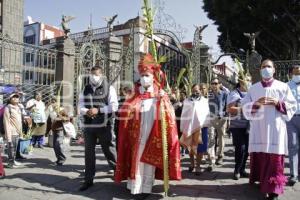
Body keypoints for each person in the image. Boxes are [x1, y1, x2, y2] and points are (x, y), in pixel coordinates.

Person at [115, 54, 181, 196]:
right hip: (136, 136)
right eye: (142, 75)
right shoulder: (134, 94)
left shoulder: (160, 95)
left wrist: (163, 101)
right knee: (137, 159)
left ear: (153, 77)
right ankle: (134, 186)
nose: (144, 78)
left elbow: (169, 116)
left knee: (148, 162)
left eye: (147, 75)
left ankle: (145, 187)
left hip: (153, 134)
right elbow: (126, 111)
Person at [241, 59, 297, 200]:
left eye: (269, 66)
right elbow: (244, 107)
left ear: (274, 69)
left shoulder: (283, 87)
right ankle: (262, 182)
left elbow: (292, 106)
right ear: (260, 69)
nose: (266, 68)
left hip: (275, 128)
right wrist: (256, 104)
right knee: (261, 155)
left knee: (275, 159)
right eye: (263, 66)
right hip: (259, 128)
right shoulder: (253, 88)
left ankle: (273, 189)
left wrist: (278, 103)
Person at [79, 65, 118, 191]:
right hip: (89, 125)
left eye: (96, 74)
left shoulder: (109, 88)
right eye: (92, 75)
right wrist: (87, 111)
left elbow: (114, 106)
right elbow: (79, 106)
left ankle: (119, 173)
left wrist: (99, 110)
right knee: (88, 153)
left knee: (109, 151)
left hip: (104, 124)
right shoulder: (86, 89)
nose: (93, 77)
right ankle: (88, 180)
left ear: (101, 75)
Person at [180, 84, 210, 175]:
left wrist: (204, 124)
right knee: (190, 147)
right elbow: (184, 114)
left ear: (201, 90)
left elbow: (206, 113)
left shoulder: (205, 101)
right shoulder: (187, 101)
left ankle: (198, 166)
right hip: (189, 127)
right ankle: (192, 164)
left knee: (200, 148)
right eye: (193, 90)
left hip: (201, 127)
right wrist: (183, 126)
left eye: (197, 90)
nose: (195, 92)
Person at [227, 74, 252, 180]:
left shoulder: (252, 93)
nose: (248, 82)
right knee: (240, 148)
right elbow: (230, 109)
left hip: (250, 125)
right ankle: (237, 170)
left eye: (250, 80)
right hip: (237, 126)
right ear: (241, 81)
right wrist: (244, 108)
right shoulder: (234, 94)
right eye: (246, 80)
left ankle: (242, 169)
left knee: (247, 149)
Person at [208, 78, 229, 168]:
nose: (214, 85)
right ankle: (212, 158)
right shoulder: (208, 94)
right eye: (212, 83)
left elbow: (227, 106)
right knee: (211, 138)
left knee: (221, 137)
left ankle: (220, 156)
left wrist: (227, 119)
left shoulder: (224, 94)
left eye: (216, 83)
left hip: (222, 118)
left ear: (219, 84)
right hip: (211, 118)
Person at [287, 65, 300, 186]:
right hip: (291, 119)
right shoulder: (286, 86)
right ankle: (293, 174)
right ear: (291, 74)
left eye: (299, 73)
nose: (298, 75)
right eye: (296, 73)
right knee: (293, 146)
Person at [3, 92, 23, 168]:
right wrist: (8, 136)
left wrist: (21, 133)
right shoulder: (8, 108)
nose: (16, 98)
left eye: (17, 97)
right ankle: (10, 163)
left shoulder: (19, 107)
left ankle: (13, 160)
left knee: (15, 148)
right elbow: (6, 123)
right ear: (10, 99)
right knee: (11, 148)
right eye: (13, 97)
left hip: (17, 132)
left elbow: (20, 121)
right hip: (11, 132)